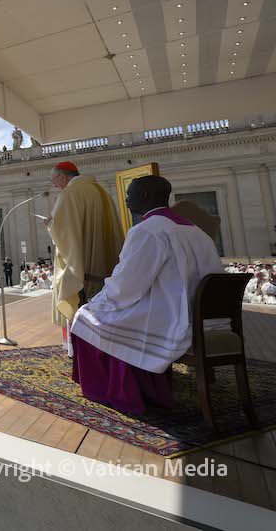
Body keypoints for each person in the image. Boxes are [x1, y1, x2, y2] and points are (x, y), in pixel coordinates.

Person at [70, 176, 223, 413]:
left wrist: (96, 301)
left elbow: (126, 287)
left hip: (173, 321)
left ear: (144, 196)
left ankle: (123, 390)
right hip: (208, 320)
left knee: (85, 316)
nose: (126, 200)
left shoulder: (147, 231)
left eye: (129, 194)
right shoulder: (197, 232)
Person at [46, 161, 124, 356]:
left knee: (79, 304)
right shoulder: (101, 191)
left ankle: (80, 351)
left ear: (62, 176)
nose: (55, 185)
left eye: (54, 180)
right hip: (107, 263)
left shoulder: (69, 194)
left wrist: (50, 225)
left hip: (82, 266)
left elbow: (63, 234)